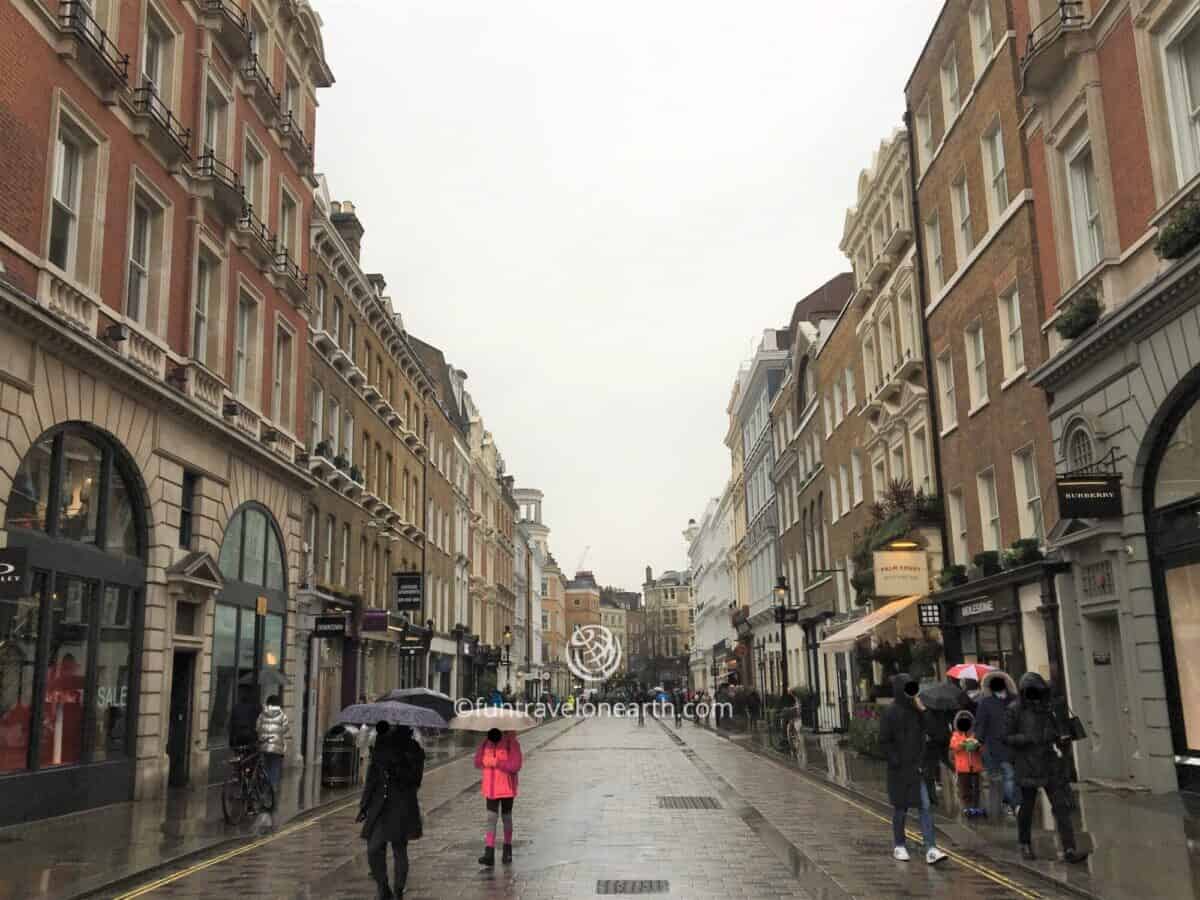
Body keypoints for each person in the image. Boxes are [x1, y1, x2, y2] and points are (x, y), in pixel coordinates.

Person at [1005, 672, 1088, 863]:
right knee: (1027, 808)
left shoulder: (1048, 707)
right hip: (1027, 765)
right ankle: (1025, 844)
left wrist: (1061, 738)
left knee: (1061, 807)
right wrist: (1026, 739)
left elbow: (1057, 731)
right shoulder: (1014, 710)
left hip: (1049, 762)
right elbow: (1007, 738)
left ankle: (1069, 848)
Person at [878, 674, 948, 865]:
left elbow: (935, 732)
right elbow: (884, 741)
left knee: (924, 807)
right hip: (900, 771)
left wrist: (924, 710)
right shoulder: (890, 712)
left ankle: (931, 848)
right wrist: (896, 761)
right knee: (901, 809)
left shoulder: (918, 711)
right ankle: (899, 845)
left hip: (918, 769)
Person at [357, 721, 425, 899]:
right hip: (380, 805)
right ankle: (383, 887)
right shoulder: (380, 745)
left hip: (402, 805)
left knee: (399, 849)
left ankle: (398, 890)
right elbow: (372, 778)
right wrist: (364, 805)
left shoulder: (413, 749)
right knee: (373, 849)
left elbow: (415, 780)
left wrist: (397, 766)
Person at [474, 727, 523, 866]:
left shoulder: (511, 743)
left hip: (506, 788)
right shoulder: (485, 743)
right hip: (490, 788)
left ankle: (507, 849)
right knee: (491, 819)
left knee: (506, 817)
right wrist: (485, 760)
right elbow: (477, 762)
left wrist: (496, 762)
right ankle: (489, 852)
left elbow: (515, 765)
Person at [975, 675, 1017, 817]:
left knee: (1002, 777)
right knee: (1009, 776)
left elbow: (980, 725)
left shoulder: (985, 703)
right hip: (1012, 744)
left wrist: (978, 741)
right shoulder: (1015, 699)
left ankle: (1007, 804)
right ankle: (1010, 804)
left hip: (995, 746)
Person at [255, 694, 289, 831]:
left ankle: (264, 792)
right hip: (276, 748)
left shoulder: (262, 714)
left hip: (263, 747)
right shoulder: (282, 715)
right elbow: (286, 729)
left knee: (265, 769)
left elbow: (257, 728)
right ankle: (271, 795)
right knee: (274, 772)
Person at [949, 709, 984, 817]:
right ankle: (967, 808)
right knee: (965, 789)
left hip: (975, 767)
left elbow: (982, 748)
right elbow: (954, 747)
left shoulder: (975, 734)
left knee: (976, 789)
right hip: (963, 768)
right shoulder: (956, 735)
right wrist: (963, 743)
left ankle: (975, 807)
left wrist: (977, 746)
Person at [229, 685, 261, 751]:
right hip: (250, 736)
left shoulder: (236, 708)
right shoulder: (255, 708)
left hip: (238, 736)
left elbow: (232, 724)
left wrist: (231, 740)